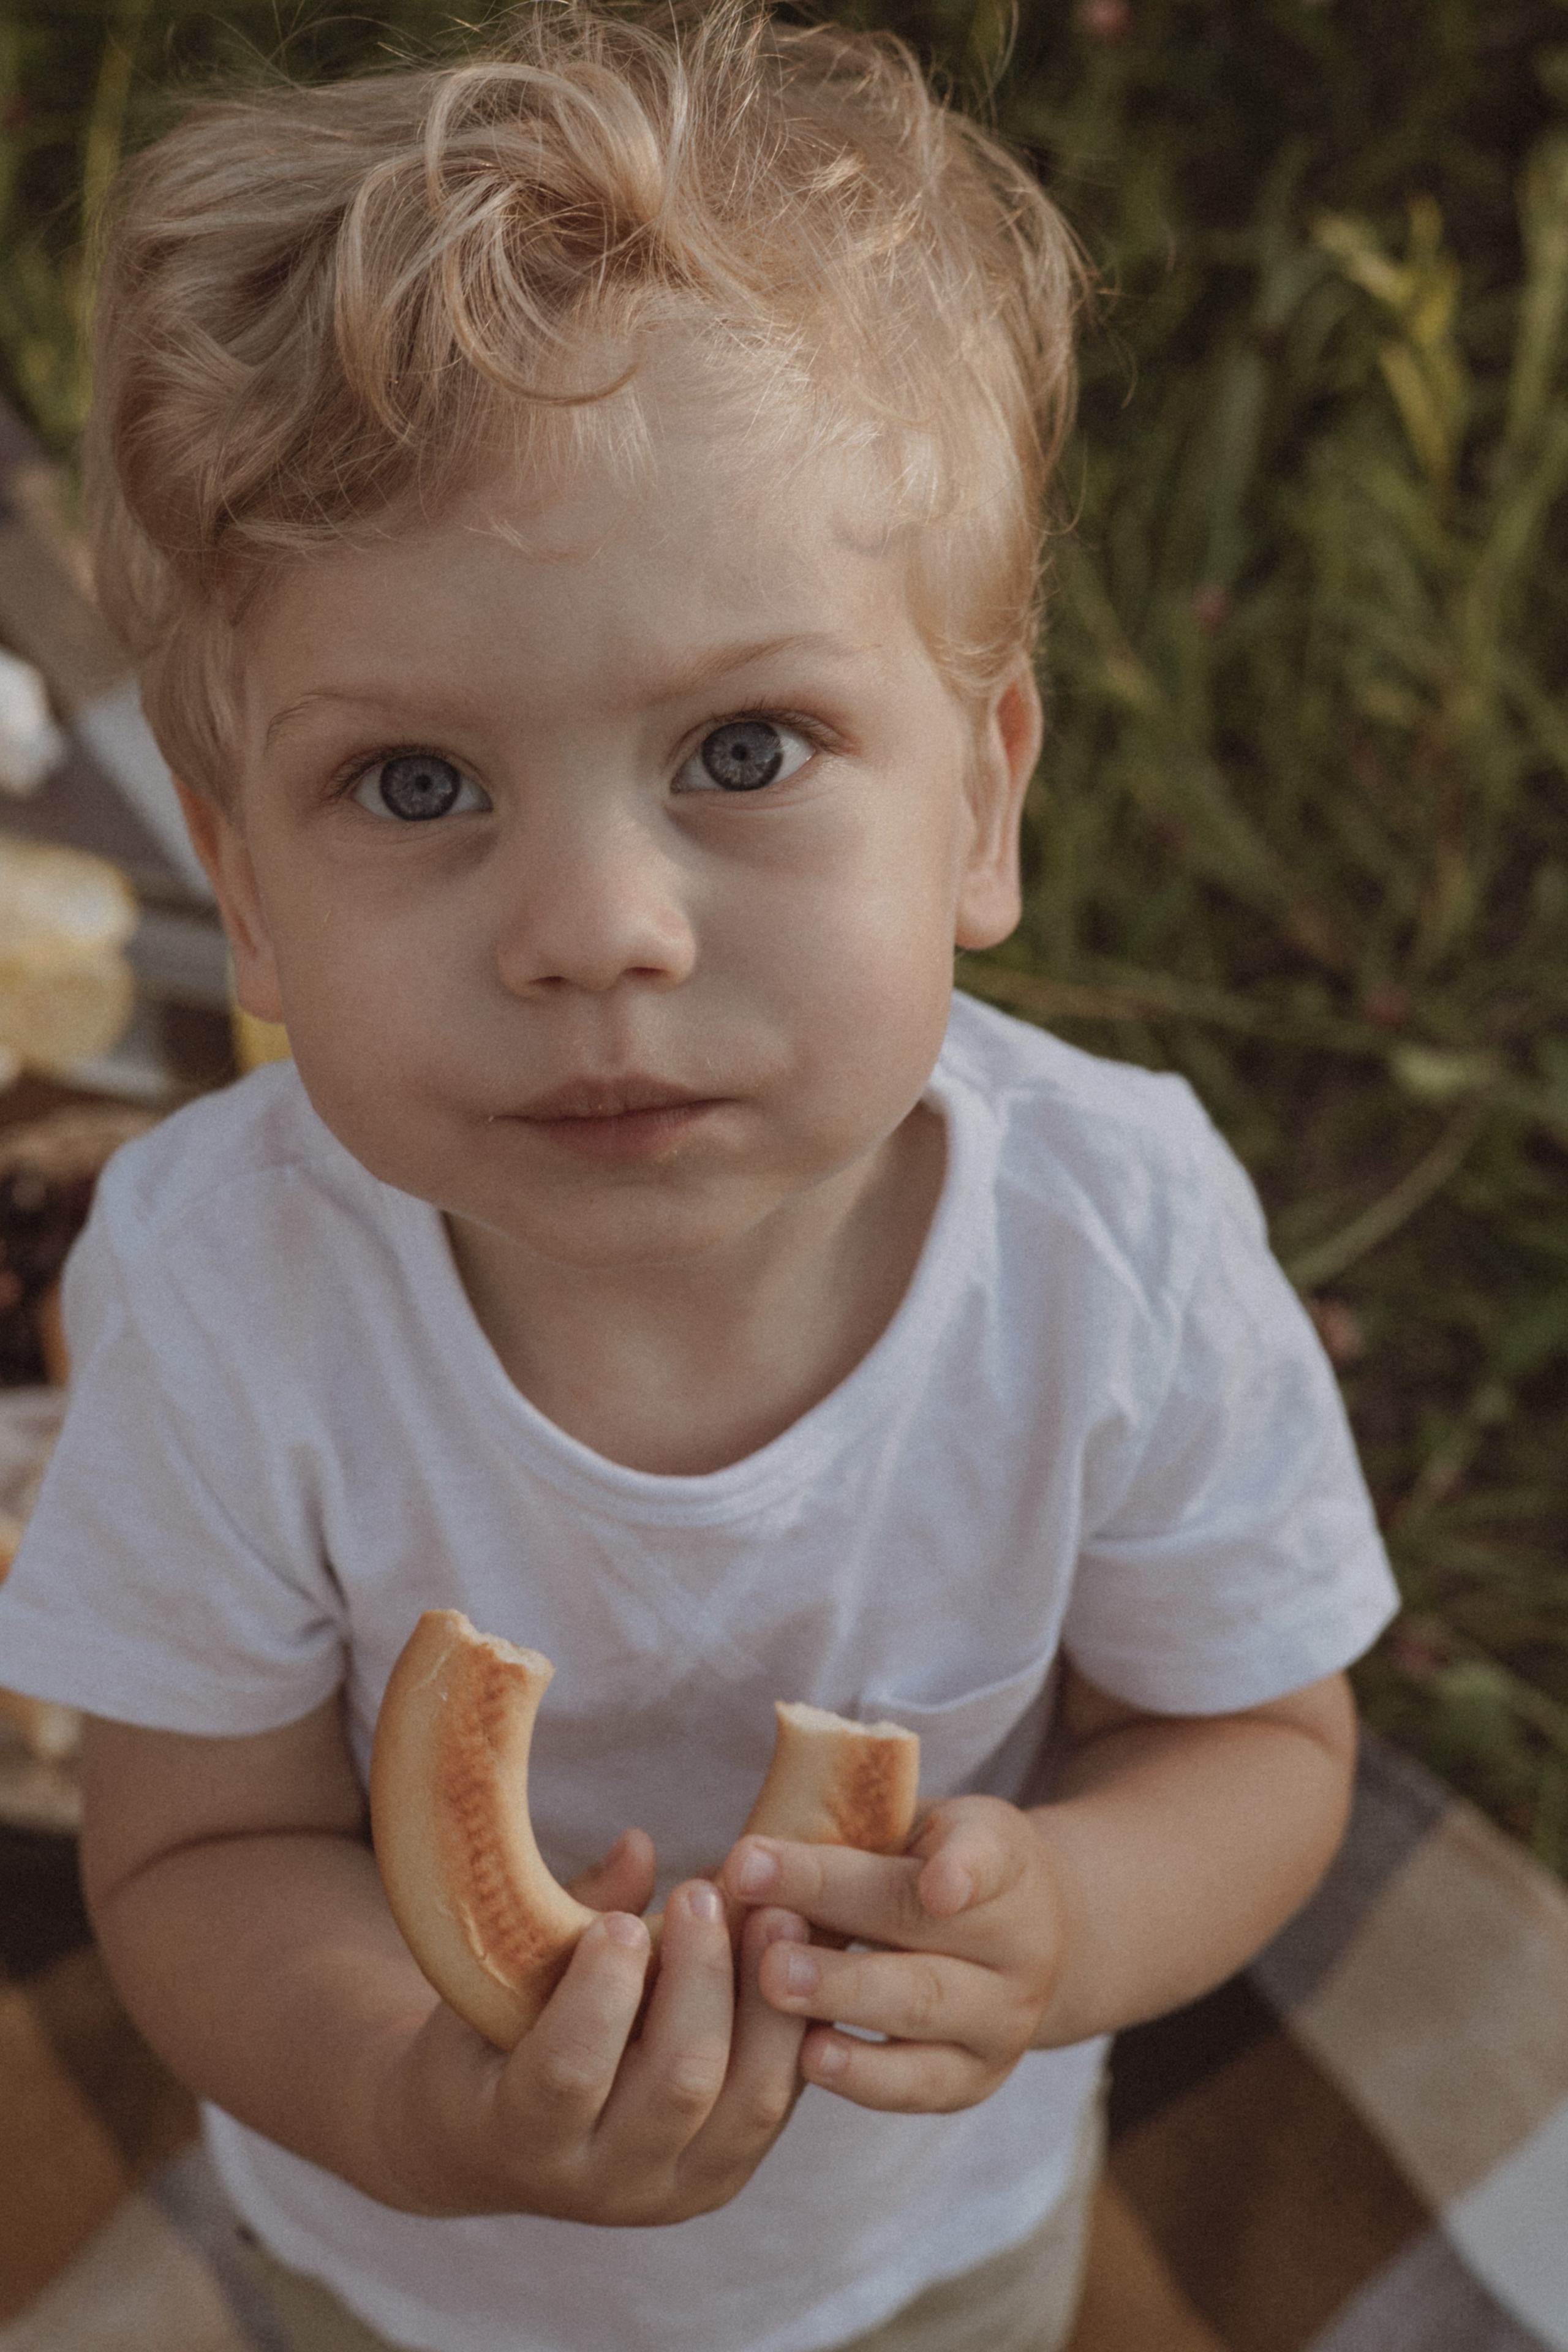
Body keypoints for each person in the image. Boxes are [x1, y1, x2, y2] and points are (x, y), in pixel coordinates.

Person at [0, 7, 1399, 2349]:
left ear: (980, 799)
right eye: (418, 788)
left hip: (925, 2250)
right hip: (402, 2267)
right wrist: (428, 2106)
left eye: (743, 749)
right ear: (242, 899)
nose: (594, 934)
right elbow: (197, 1854)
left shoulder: (1118, 1245)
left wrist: (1062, 1920)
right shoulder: (220, 1286)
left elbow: (1254, 1743)